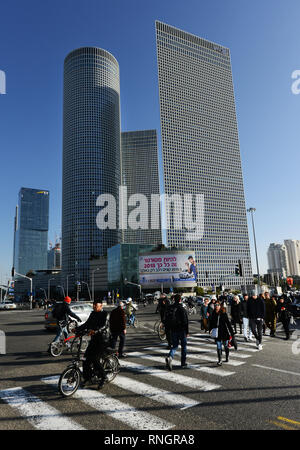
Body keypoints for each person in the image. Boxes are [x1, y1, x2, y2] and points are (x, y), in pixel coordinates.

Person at [75, 300, 109, 388]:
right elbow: (87, 324)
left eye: (96, 306)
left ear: (101, 306)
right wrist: (77, 329)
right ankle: (88, 378)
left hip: (103, 340)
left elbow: (104, 326)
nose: (94, 307)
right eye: (93, 306)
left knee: (95, 359)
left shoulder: (105, 314)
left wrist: (96, 331)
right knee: (85, 359)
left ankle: (103, 377)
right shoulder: (93, 313)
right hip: (94, 339)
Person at [165, 294, 189, 370]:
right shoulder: (181, 308)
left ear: (174, 299)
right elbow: (185, 321)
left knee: (175, 346)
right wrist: (187, 331)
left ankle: (170, 356)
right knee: (184, 347)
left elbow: (166, 319)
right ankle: (183, 363)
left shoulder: (170, 308)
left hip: (173, 330)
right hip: (181, 330)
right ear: (180, 300)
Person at [209, 302, 234, 366]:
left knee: (225, 346)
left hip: (224, 332)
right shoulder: (213, 313)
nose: (216, 306)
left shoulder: (223, 313)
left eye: (218, 305)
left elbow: (228, 323)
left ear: (220, 306)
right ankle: (220, 360)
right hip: (217, 333)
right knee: (218, 346)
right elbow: (211, 323)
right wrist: (210, 330)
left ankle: (227, 356)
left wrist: (232, 333)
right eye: (215, 305)